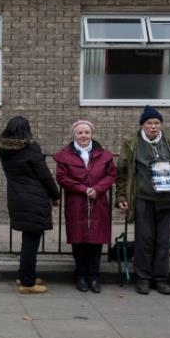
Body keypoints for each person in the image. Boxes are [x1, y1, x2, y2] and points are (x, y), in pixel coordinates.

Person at [116, 106, 170, 295]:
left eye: (157, 123)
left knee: (163, 241)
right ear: (142, 125)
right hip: (143, 198)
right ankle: (142, 278)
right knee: (144, 240)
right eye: (149, 123)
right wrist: (121, 197)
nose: (153, 127)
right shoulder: (132, 142)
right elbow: (122, 173)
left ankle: (160, 279)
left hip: (168, 199)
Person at [0, 116, 60, 294]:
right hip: (34, 198)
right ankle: (27, 283)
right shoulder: (31, 148)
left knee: (28, 239)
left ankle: (24, 274)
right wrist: (55, 195)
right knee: (31, 241)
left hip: (16, 197)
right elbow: (44, 174)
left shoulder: (3, 150)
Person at [53, 120, 116, 293]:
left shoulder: (104, 156)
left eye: (86, 133)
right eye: (80, 133)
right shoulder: (65, 156)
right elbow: (62, 177)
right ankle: (80, 275)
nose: (83, 136)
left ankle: (94, 276)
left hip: (98, 201)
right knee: (78, 239)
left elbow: (111, 175)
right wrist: (83, 189)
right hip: (76, 202)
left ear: (92, 134)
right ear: (74, 134)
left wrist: (98, 188)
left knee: (96, 241)